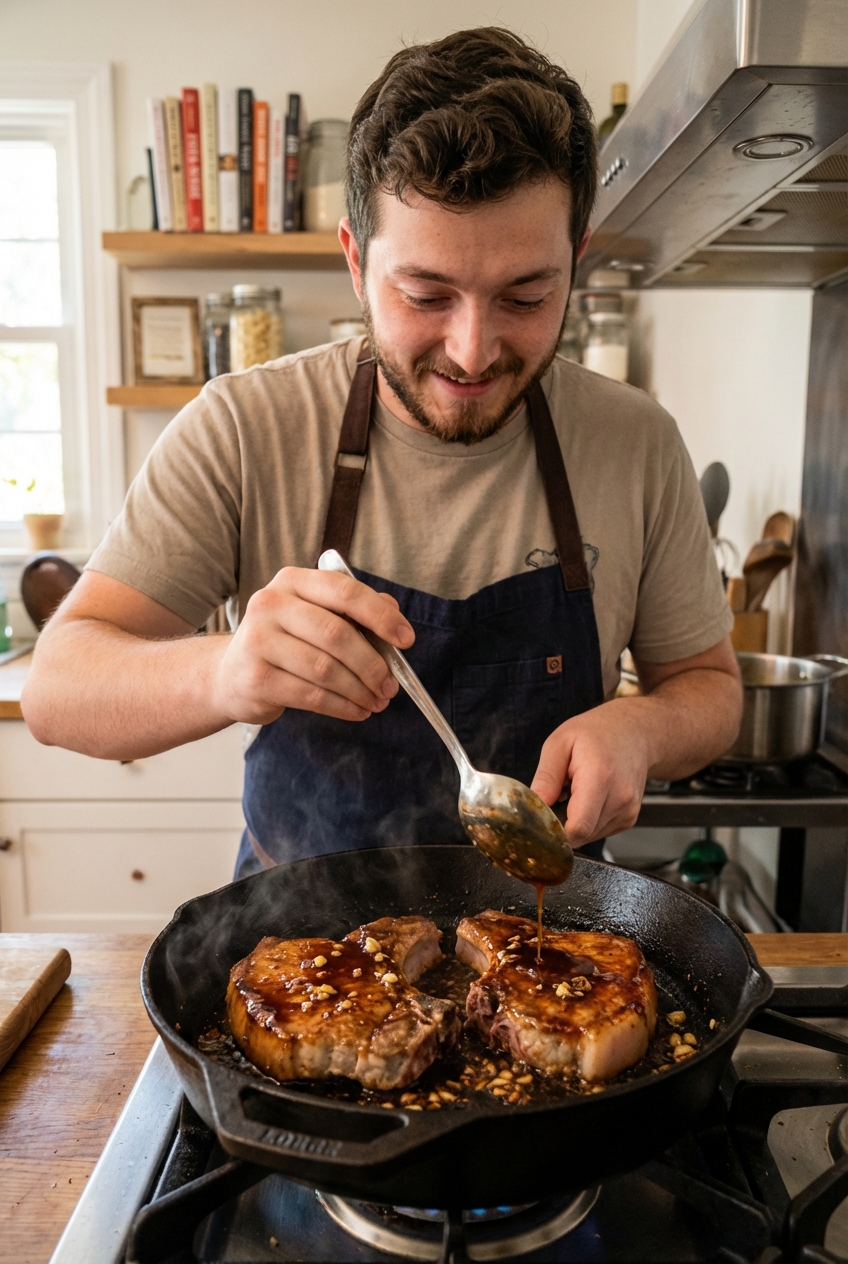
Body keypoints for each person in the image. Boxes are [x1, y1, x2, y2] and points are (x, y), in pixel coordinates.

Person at [23, 28, 741, 877]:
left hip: (554, 944)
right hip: (301, 958)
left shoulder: (635, 441)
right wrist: (226, 672)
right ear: (357, 264)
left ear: (574, 262)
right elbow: (56, 690)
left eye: (526, 294)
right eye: (426, 295)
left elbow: (710, 688)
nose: (473, 352)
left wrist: (643, 727)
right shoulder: (244, 428)